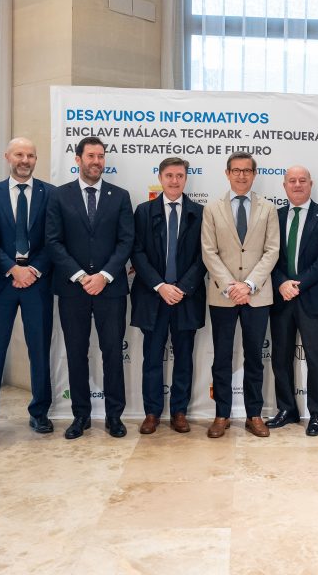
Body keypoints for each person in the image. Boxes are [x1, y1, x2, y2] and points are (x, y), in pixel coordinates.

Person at [46, 136, 134, 440]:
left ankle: (114, 416)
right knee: (75, 353)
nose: (97, 161)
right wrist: (82, 276)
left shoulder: (120, 196)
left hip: (111, 289)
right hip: (73, 290)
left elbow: (126, 241)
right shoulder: (59, 196)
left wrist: (105, 275)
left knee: (113, 353)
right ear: (78, 159)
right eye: (91, 156)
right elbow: (53, 241)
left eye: (101, 156)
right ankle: (80, 415)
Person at [0, 137, 56, 437]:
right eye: (19, 154)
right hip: (2, 282)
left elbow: (54, 239)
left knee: (40, 350)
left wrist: (32, 270)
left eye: (30, 155)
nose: (25, 160)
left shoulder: (51, 193)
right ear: (7, 157)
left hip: (37, 282)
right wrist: (11, 268)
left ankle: (40, 412)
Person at [201, 152, 280, 438]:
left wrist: (248, 285)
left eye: (247, 170)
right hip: (223, 296)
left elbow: (272, 251)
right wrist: (231, 286)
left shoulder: (268, 209)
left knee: (255, 357)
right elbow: (209, 251)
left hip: (257, 296)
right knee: (222, 357)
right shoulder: (212, 209)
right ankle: (221, 414)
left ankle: (254, 414)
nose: (241, 175)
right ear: (227, 173)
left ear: (254, 174)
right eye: (236, 170)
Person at [131, 157, 206, 435]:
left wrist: (182, 287)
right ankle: (152, 413)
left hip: (187, 297)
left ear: (186, 179)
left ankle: (179, 412)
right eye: (169, 175)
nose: (175, 181)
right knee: (152, 357)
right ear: (160, 178)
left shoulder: (200, 213)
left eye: (180, 176)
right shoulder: (144, 211)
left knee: (184, 358)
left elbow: (205, 256)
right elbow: (136, 252)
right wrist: (160, 286)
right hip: (153, 297)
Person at [265, 166, 318, 436]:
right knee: (280, 357)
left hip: (312, 297)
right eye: (292, 181)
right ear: (284, 186)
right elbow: (267, 255)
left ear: (311, 184)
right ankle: (287, 409)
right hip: (281, 298)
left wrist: (298, 284)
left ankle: (315, 413)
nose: (297, 185)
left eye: (302, 180)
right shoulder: (274, 216)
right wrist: (282, 283)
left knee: (316, 358)